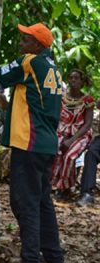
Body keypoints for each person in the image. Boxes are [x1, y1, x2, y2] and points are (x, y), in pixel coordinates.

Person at [0, 23, 64, 263]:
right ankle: (53, 256)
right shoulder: (52, 69)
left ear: (37, 45)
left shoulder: (30, 61)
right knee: (42, 201)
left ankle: (31, 261)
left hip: (29, 143)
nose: (21, 44)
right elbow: (38, 105)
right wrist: (8, 106)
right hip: (45, 144)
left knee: (25, 202)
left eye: (26, 40)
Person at [52, 69, 94, 199]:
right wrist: (62, 135)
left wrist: (71, 140)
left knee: (70, 155)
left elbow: (87, 124)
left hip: (81, 133)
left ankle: (66, 188)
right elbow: (58, 117)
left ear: (82, 82)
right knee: (56, 152)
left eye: (77, 78)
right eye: (71, 78)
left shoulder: (87, 100)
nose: (73, 80)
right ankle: (55, 186)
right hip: (62, 131)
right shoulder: (62, 97)